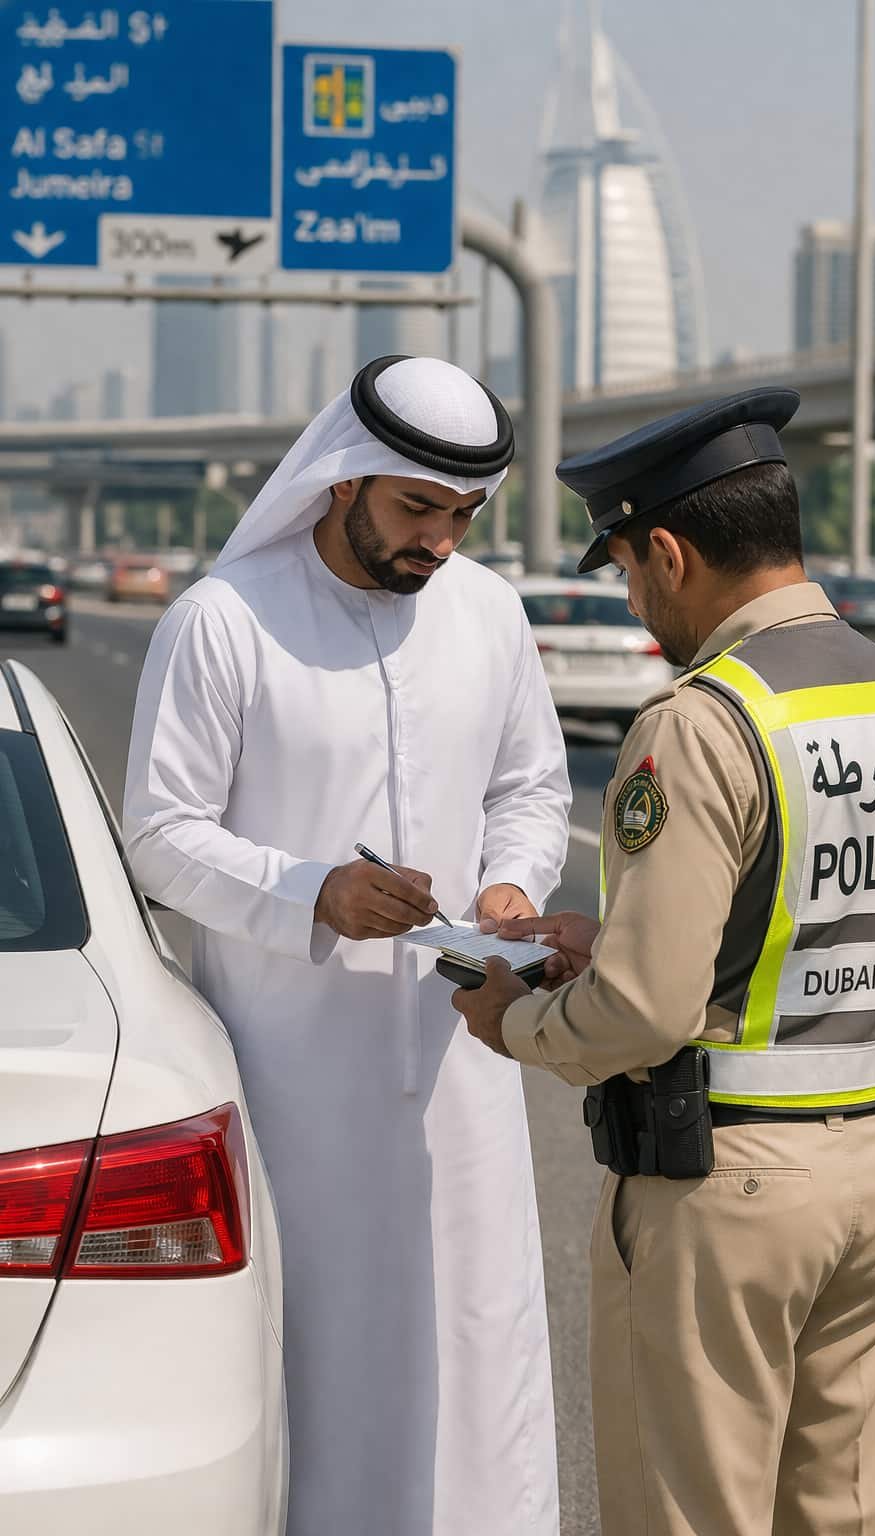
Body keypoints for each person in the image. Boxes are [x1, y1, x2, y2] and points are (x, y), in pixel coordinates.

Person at [457, 387, 875, 1536]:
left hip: (723, 1194)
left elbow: (638, 1016)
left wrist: (514, 1020)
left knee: (691, 1516)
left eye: (630, 573)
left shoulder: (698, 722)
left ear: (671, 553)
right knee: (843, 1512)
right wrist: (626, 944)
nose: (636, 606)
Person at [123, 355, 569, 1536]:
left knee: (476, 1338)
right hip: (291, 1075)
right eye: (417, 508)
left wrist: (513, 888)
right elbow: (160, 837)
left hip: (462, 1061)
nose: (440, 540)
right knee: (318, 1348)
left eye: (462, 515)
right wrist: (315, 891)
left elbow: (529, 788)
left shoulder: (487, 613)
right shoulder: (224, 622)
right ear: (340, 483)